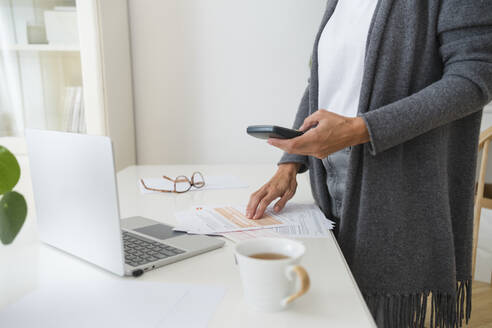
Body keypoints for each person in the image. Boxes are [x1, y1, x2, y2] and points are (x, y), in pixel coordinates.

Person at [246, 1, 492, 327]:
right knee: (333, 311)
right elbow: (321, 82)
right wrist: (290, 162)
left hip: (395, 174)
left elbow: (475, 76)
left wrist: (360, 129)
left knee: (377, 316)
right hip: (326, 171)